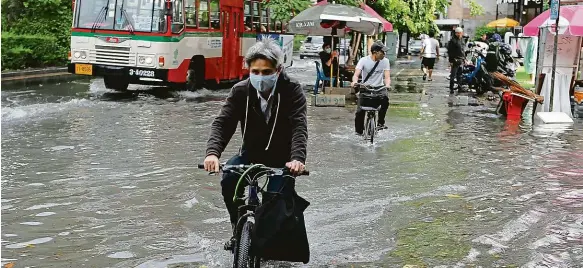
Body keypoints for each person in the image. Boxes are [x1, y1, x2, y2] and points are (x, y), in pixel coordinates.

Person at [203, 38, 308, 250]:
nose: (260, 77)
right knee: (228, 181)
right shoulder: (241, 91)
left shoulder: (292, 90)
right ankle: (237, 229)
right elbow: (223, 123)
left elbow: (299, 127)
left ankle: (272, 241)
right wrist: (213, 153)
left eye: (267, 72)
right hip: (250, 153)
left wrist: (297, 159)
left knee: (277, 201)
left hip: (283, 159)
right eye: (256, 72)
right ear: (249, 70)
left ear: (278, 70)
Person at [351, 40, 391, 135]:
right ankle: (359, 132)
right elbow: (356, 74)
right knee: (360, 111)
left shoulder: (385, 61)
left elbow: (387, 77)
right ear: (375, 52)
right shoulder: (363, 60)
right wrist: (354, 82)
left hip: (379, 88)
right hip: (366, 88)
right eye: (382, 52)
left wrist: (388, 84)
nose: (384, 54)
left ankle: (380, 123)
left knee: (385, 100)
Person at [447, 27, 466, 94]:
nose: (459, 34)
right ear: (455, 33)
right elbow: (450, 51)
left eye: (460, 33)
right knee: (453, 75)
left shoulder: (462, 40)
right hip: (455, 60)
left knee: (460, 75)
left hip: (461, 60)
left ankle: (460, 88)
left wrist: (464, 59)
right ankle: (451, 88)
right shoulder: (453, 41)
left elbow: (463, 51)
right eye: (457, 33)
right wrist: (451, 61)